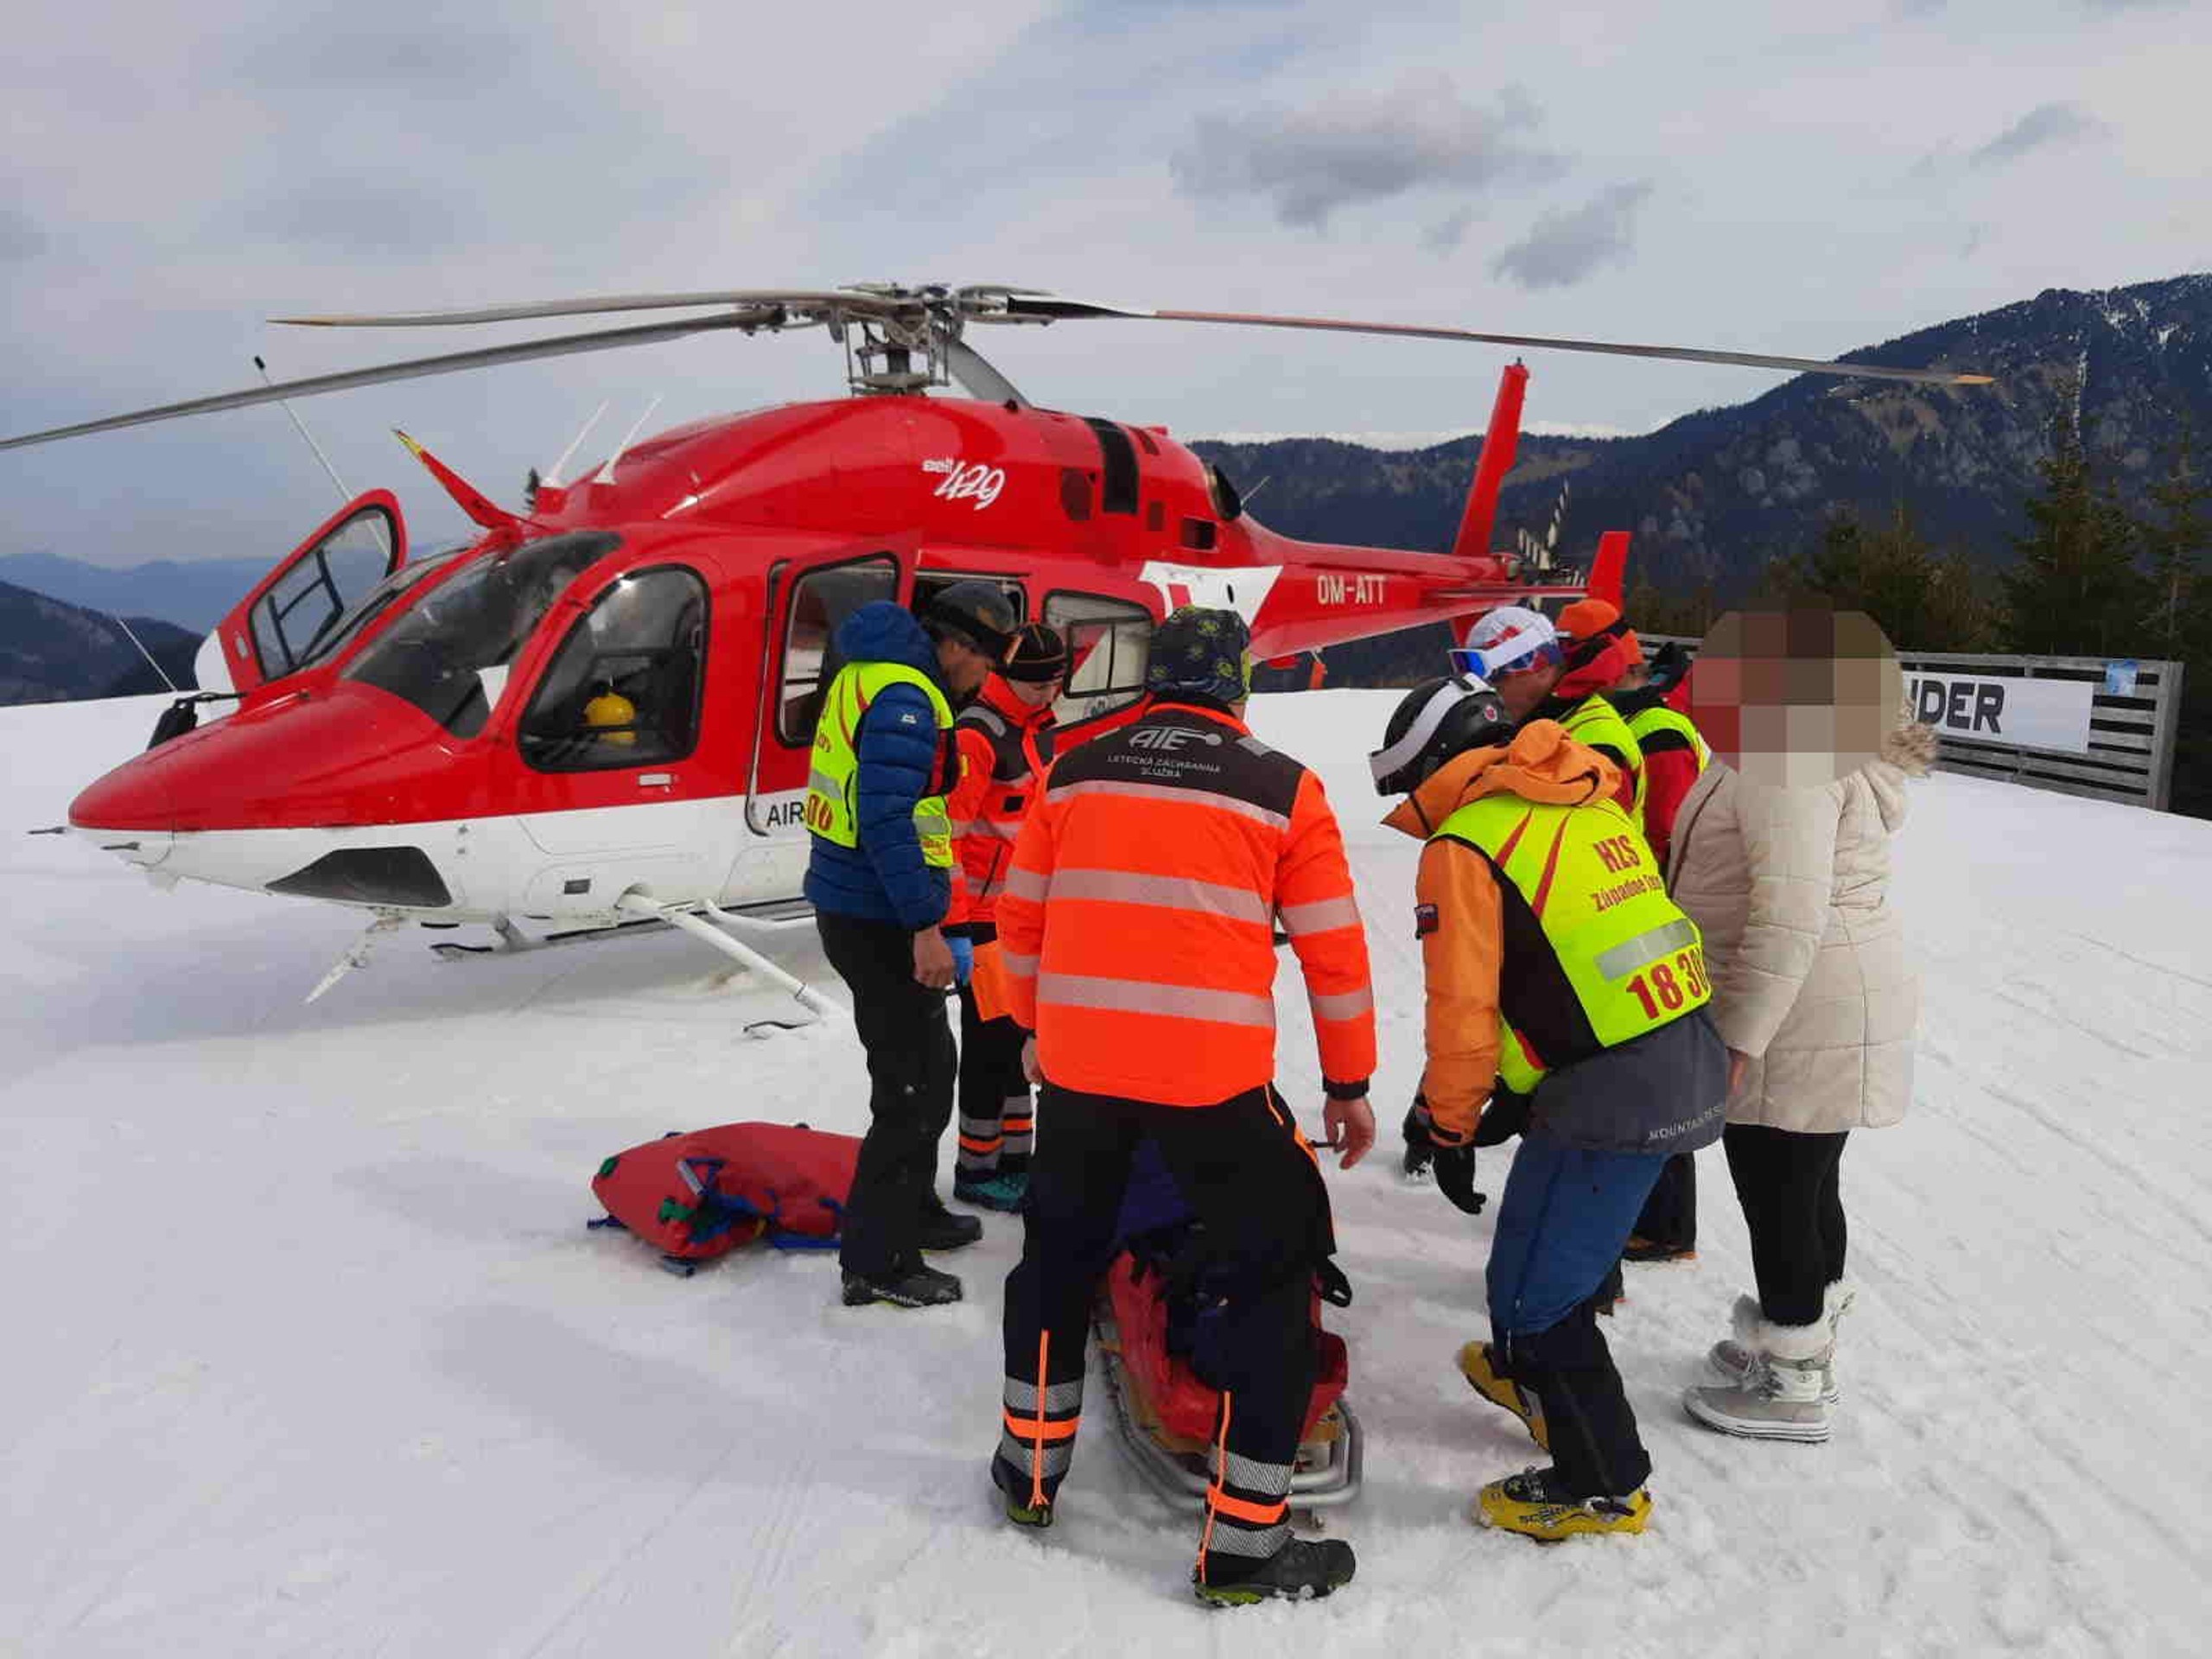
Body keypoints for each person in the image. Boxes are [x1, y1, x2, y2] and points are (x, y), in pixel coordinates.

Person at [988, 606, 1377, 1606]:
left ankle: (1029, 1475)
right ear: (1238, 687)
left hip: (1080, 1076)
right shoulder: (1281, 787)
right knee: (1271, 1279)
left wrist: (1033, 1029)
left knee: (1056, 1264)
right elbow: (1333, 955)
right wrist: (1347, 1084)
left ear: (1152, 680)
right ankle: (1244, 1546)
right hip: (1212, 1086)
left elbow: (1017, 921)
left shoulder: (1072, 770)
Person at [1375, 675, 1727, 1541]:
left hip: (1614, 1089)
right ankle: (1528, 1374)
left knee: (1541, 1300)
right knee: (1525, 1260)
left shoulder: (1466, 841)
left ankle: (1603, 1484)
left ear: (1433, 764)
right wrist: (1510, 1093)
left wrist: (1449, 1123)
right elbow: (1572, 960)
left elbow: (1464, 1011)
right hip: (1676, 1051)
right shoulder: (1586, 798)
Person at [1670, 609, 1934, 1443]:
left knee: (1778, 1188)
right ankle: (1798, 1338)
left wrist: (1740, 1036)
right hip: (1823, 1000)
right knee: (1808, 1183)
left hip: (1797, 1007)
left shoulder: (1787, 766)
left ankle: (1793, 1377)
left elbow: (1788, 917)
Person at [803, 581, 1015, 1310]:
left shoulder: (869, 675)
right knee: (909, 1089)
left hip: (861, 903)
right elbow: (889, 822)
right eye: (983, 659)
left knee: (933, 1065)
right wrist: (926, 925)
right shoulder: (905, 698)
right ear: (954, 645)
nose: (984, 677)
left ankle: (915, 1211)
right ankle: (878, 1260)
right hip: (879, 916)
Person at [1563, 599, 1715, 1264]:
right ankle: (1650, 1217)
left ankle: (1665, 1226)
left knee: (1656, 1072)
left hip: (1652, 910)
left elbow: (1671, 830)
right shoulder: (1634, 717)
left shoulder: (1655, 728)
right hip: (1640, 905)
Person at [944, 620, 1069, 1212]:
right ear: (1008, 678)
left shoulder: (1035, 728)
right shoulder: (978, 735)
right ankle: (976, 1168)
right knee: (990, 1043)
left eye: (1056, 684)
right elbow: (944, 835)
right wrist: (954, 925)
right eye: (1038, 684)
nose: (1049, 694)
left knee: (1019, 1036)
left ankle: (1016, 1159)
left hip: (1022, 913)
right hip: (981, 918)